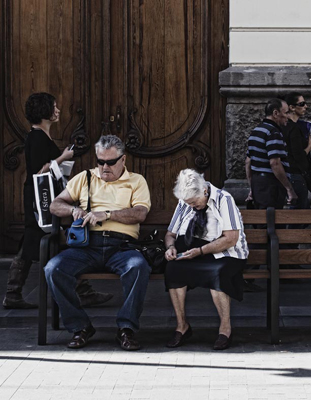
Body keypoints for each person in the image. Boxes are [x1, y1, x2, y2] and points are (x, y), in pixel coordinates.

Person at [3, 92, 111, 309]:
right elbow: (38, 171)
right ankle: (82, 291)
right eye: (54, 107)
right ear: (45, 111)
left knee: (44, 238)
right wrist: (63, 157)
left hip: (43, 197)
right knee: (56, 236)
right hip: (40, 198)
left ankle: (15, 293)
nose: (58, 110)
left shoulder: (40, 136)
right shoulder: (36, 137)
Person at [45, 135, 151, 351]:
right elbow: (55, 205)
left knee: (138, 267)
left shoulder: (136, 181)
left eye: (111, 162)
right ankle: (80, 327)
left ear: (123, 160)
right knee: (53, 269)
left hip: (121, 247)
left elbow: (140, 213)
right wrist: (73, 210)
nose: (105, 167)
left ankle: (126, 328)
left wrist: (108, 214)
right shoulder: (84, 178)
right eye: (100, 161)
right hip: (87, 246)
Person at [163, 169, 248, 350]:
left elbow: (231, 238)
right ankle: (182, 326)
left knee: (216, 273)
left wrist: (201, 251)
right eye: (189, 203)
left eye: (194, 203)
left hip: (225, 252)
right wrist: (171, 247)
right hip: (193, 250)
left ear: (204, 191)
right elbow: (170, 234)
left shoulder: (224, 199)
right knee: (173, 270)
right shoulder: (185, 202)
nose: (192, 206)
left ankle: (225, 329)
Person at [245, 98, 298, 210]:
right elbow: (275, 163)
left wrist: (252, 187)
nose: (288, 116)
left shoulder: (256, 131)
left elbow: (248, 162)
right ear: (275, 113)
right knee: (271, 222)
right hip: (271, 185)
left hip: (258, 183)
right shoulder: (273, 132)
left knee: (262, 222)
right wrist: (289, 189)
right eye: (286, 112)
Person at [282, 92, 311, 212]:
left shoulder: (286, 126)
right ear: (292, 107)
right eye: (302, 104)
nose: (306, 106)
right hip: (295, 175)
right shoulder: (293, 128)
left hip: (289, 174)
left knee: (301, 210)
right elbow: (298, 155)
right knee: (300, 213)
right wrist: (310, 147)